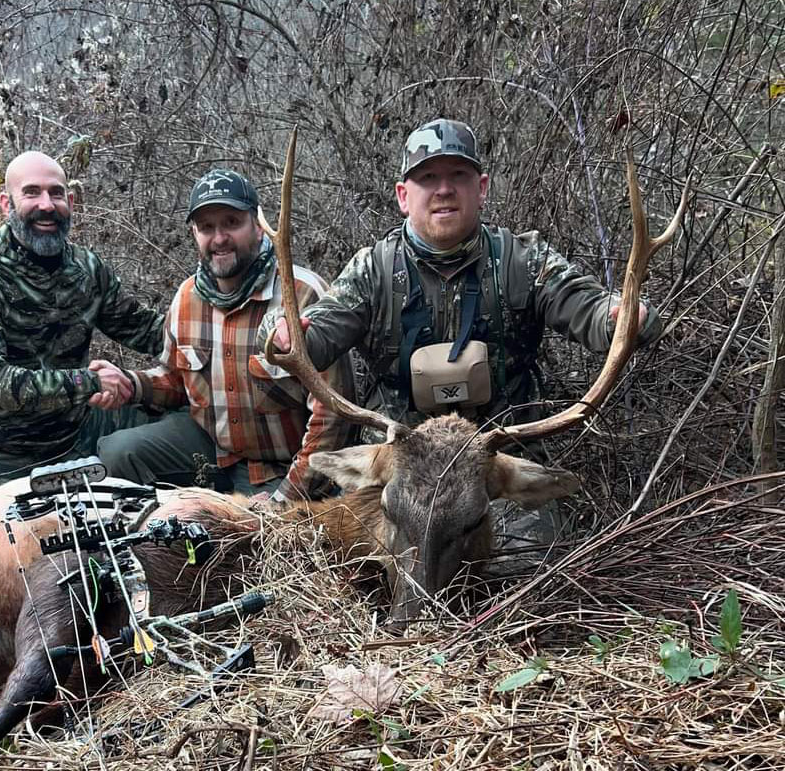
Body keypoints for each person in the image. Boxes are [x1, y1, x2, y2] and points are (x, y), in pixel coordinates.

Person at [266, 119, 663, 567]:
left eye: (458, 176)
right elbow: (313, 335)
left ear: (481, 188)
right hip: (398, 469)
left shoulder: (520, 260)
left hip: (497, 468)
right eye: (428, 178)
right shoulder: (373, 272)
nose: (444, 190)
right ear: (403, 195)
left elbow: (588, 308)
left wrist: (622, 316)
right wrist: (283, 334)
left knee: (519, 576)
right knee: (359, 575)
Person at [94, 169, 356, 503]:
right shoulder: (187, 298)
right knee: (120, 452)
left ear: (258, 226)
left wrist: (285, 502)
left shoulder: (301, 294)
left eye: (232, 222)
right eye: (207, 227)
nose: (219, 238)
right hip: (210, 452)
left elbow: (332, 417)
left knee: (259, 543)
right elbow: (179, 381)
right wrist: (132, 383)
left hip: (281, 469)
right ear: (194, 233)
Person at [0, 151, 164, 491]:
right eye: (31, 192)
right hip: (11, 457)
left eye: (56, 193)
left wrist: (229, 328)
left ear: (71, 201)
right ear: (6, 204)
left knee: (186, 425)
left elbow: (150, 332)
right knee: (35, 542)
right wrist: (91, 383)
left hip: (82, 431)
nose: (47, 205)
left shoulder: (87, 269)